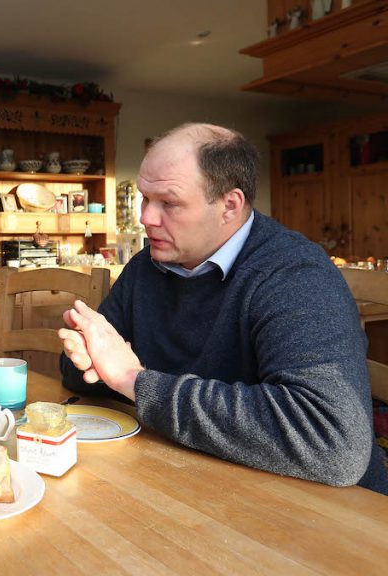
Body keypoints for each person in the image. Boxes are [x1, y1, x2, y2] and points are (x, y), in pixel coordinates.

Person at [58, 123, 388, 494]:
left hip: (328, 513)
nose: (146, 218)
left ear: (230, 206)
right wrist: (94, 359)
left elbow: (333, 443)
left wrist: (133, 380)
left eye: (169, 202)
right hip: (194, 480)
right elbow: (79, 373)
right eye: (145, 198)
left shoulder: (294, 274)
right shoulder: (145, 268)